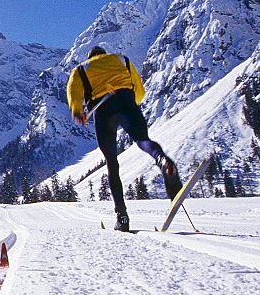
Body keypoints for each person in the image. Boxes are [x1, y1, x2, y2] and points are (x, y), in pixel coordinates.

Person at [67, 46, 182, 232]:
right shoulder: (122, 59)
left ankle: (122, 216)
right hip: (127, 102)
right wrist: (129, 104)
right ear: (104, 54)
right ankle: (162, 159)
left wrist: (78, 112)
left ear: (90, 57)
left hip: (102, 111)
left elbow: (74, 95)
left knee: (112, 163)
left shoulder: (80, 70)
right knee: (143, 141)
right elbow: (140, 90)